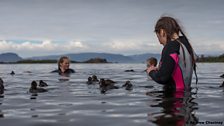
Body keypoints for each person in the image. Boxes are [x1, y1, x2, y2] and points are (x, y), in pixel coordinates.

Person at [146, 16, 197, 91]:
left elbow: (162, 78)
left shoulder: (171, 46)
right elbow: (177, 68)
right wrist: (161, 69)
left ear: (162, 32)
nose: (160, 42)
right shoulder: (185, 44)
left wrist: (151, 72)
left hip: (173, 99)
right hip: (186, 95)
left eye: (158, 37)